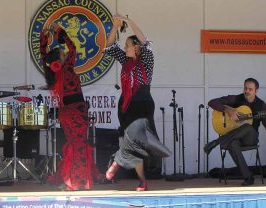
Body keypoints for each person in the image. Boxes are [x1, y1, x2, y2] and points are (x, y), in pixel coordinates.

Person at [103, 14, 171, 191]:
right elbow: (109, 46)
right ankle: (142, 180)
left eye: (127, 45)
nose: (125, 48)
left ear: (136, 47)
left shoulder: (147, 60)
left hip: (142, 103)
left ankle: (117, 162)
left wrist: (129, 21)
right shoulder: (125, 60)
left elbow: (145, 41)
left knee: (135, 139)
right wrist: (114, 26)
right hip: (126, 104)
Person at [40, 23, 103, 191]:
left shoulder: (52, 74)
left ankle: (67, 178)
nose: (65, 54)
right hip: (76, 111)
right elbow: (73, 47)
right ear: (58, 61)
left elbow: (43, 56)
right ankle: (76, 182)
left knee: (72, 145)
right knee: (80, 145)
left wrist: (44, 39)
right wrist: (60, 32)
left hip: (65, 113)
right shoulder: (66, 69)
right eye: (62, 54)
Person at [204, 78, 266, 186]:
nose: (247, 91)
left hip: (250, 138)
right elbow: (212, 102)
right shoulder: (236, 99)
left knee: (248, 126)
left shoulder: (261, 105)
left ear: (256, 91)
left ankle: (216, 142)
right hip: (234, 138)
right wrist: (228, 110)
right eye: (245, 88)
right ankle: (248, 177)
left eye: (250, 89)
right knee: (232, 144)